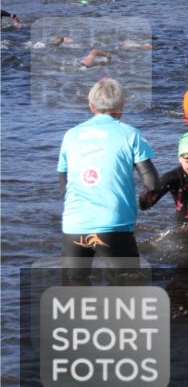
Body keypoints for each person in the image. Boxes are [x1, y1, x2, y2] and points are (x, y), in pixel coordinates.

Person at [58, 78, 158, 264]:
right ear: (122, 105)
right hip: (114, 225)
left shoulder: (70, 135)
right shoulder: (130, 134)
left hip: (74, 226)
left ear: (91, 105)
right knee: (127, 281)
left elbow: (64, 186)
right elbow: (152, 183)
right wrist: (144, 200)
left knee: (74, 282)